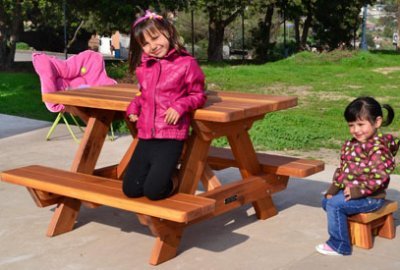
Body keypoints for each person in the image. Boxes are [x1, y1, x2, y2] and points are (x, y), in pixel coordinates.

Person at [122, 10, 206, 200]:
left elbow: (198, 95)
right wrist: (134, 107)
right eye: (145, 43)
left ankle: (173, 180)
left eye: (155, 38)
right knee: (131, 190)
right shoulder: (144, 68)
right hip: (146, 135)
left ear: (168, 32)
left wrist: (180, 105)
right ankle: (159, 175)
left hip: (170, 135)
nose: (152, 46)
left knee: (153, 191)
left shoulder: (187, 64)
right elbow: (143, 95)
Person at [316, 97, 399, 256]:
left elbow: (378, 177)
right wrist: (333, 189)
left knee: (334, 205)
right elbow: (343, 170)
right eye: (351, 125)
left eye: (361, 124)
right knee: (327, 201)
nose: (356, 129)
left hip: (371, 197)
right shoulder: (351, 145)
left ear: (377, 122)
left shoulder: (378, 149)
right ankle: (344, 227)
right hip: (354, 192)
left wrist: (357, 191)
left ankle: (339, 245)